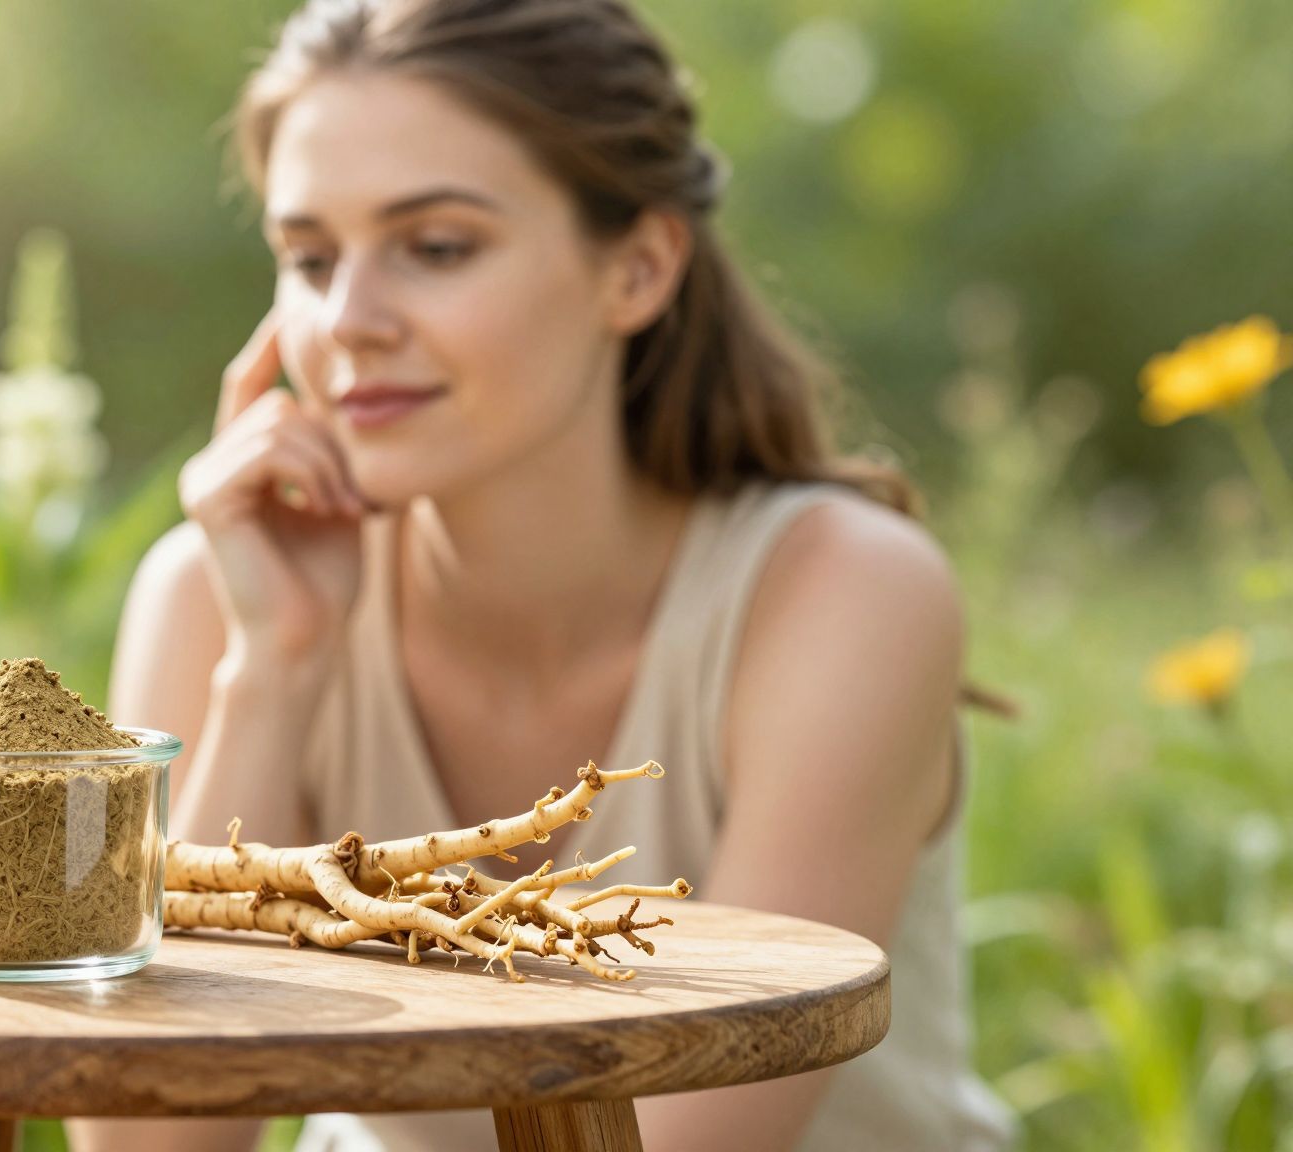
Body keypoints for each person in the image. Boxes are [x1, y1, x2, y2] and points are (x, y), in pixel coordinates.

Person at [70, 0, 1018, 1148]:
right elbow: (152, 1143)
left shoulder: (840, 595)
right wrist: (276, 669)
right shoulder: (219, 596)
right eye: (309, 258)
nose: (348, 320)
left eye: (435, 247)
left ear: (637, 269)